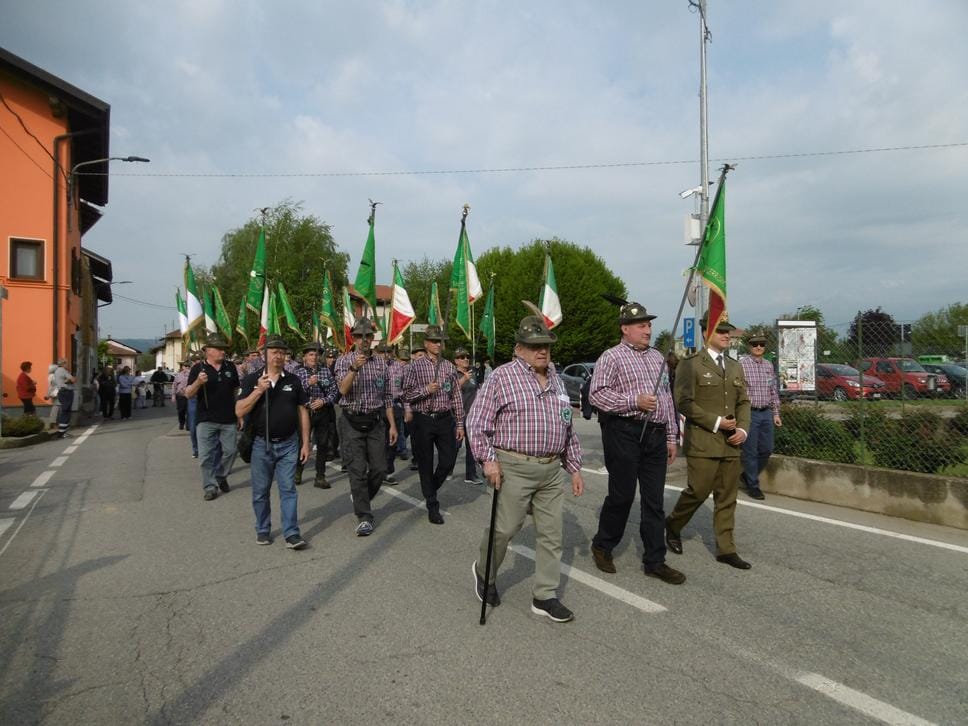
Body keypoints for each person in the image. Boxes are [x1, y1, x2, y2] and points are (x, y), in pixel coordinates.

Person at [467, 314, 584, 623]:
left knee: (551, 535)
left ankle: (544, 596)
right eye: (534, 346)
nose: (542, 351)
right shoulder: (502, 377)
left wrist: (574, 467)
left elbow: (567, 427)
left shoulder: (558, 380)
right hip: (512, 467)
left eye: (546, 345)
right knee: (504, 529)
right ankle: (484, 572)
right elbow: (477, 422)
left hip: (549, 470)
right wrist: (488, 459)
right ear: (519, 348)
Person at [588, 302, 685, 585]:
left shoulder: (658, 358)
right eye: (641, 325)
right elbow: (597, 395)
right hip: (624, 432)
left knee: (654, 501)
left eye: (649, 324)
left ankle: (655, 560)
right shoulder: (611, 357)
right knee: (622, 495)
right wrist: (634, 401)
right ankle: (603, 545)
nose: (647, 330)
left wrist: (670, 436)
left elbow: (666, 398)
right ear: (625, 329)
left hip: (655, 435)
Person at [665, 312, 752, 570]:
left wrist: (743, 430)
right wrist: (716, 422)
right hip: (704, 441)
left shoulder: (735, 366)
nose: (727, 335)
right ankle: (673, 524)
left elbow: (743, 402)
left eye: (728, 331)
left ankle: (726, 549)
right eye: (721, 330)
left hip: (731, 442)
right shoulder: (691, 364)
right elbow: (683, 401)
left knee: (727, 496)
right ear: (706, 333)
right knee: (698, 491)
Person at [236, 335, 311, 548]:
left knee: (288, 489)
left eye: (282, 352)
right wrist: (259, 390)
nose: (278, 356)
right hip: (261, 444)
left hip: (289, 443)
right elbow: (239, 410)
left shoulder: (293, 380)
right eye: (274, 351)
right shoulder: (252, 379)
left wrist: (306, 442)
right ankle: (263, 529)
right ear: (264, 355)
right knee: (261, 491)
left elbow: (303, 411)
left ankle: (291, 533)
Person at [334, 318, 397, 536]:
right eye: (359, 336)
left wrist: (392, 425)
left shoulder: (382, 363)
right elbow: (341, 391)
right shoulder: (343, 361)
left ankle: (362, 496)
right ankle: (364, 515)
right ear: (353, 338)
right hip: (351, 420)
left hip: (375, 421)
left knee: (380, 468)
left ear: (372, 339)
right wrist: (354, 369)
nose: (364, 340)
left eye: (368, 336)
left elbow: (388, 396)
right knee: (357, 470)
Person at [401, 325, 465, 524]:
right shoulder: (415, 366)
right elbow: (406, 394)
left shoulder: (448, 367)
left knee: (448, 460)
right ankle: (432, 504)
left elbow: (455, 395)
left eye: (440, 341)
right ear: (426, 343)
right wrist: (426, 390)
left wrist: (460, 423)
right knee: (426, 462)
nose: (438, 344)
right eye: (434, 341)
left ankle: (430, 488)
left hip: (445, 419)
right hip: (423, 419)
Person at [185, 332, 241, 501]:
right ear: (208, 350)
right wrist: (198, 383)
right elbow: (188, 394)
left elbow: (236, 391)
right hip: (206, 419)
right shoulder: (198, 369)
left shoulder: (230, 367)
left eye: (224, 349)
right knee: (205, 456)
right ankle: (210, 486)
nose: (222, 352)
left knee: (231, 451)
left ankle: (220, 475)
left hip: (228, 418)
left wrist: (240, 413)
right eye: (219, 349)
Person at [739, 332, 781, 500]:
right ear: (749, 347)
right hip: (750, 413)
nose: (758, 347)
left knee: (767, 449)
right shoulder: (742, 365)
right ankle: (753, 485)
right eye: (755, 344)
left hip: (766, 413)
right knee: (750, 451)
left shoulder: (768, 366)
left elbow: (773, 390)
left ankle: (748, 475)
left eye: (761, 345)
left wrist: (776, 413)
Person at [294, 341, 340, 488]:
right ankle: (298, 471)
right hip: (305, 412)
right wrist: (308, 383)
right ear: (305, 356)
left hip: (322, 412)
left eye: (316, 354)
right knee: (302, 443)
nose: (314, 357)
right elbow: (294, 393)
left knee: (322, 444)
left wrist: (324, 401)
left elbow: (335, 391)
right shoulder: (298, 371)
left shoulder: (325, 371)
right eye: (311, 354)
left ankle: (320, 476)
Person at [454, 347, 483, 484]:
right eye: (461, 357)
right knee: (455, 445)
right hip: (457, 416)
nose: (465, 359)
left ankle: (470, 475)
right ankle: (447, 469)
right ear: (456, 361)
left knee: (471, 447)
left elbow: (476, 390)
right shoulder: (452, 374)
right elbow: (449, 391)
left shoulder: (472, 373)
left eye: (467, 356)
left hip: (472, 416)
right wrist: (463, 379)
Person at [52, 358, 75, 438]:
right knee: (66, 411)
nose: (68, 365)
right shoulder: (62, 370)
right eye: (67, 363)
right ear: (63, 363)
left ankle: (63, 431)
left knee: (65, 410)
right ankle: (62, 432)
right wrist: (69, 380)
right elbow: (73, 379)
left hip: (61, 391)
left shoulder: (56, 371)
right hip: (66, 391)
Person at [172, 361, 190, 429]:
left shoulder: (191, 375)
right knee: (181, 410)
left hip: (188, 395)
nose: (187, 368)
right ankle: (181, 423)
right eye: (186, 366)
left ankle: (188, 425)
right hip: (180, 395)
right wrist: (173, 395)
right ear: (183, 367)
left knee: (189, 411)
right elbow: (174, 385)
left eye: (188, 367)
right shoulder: (178, 375)